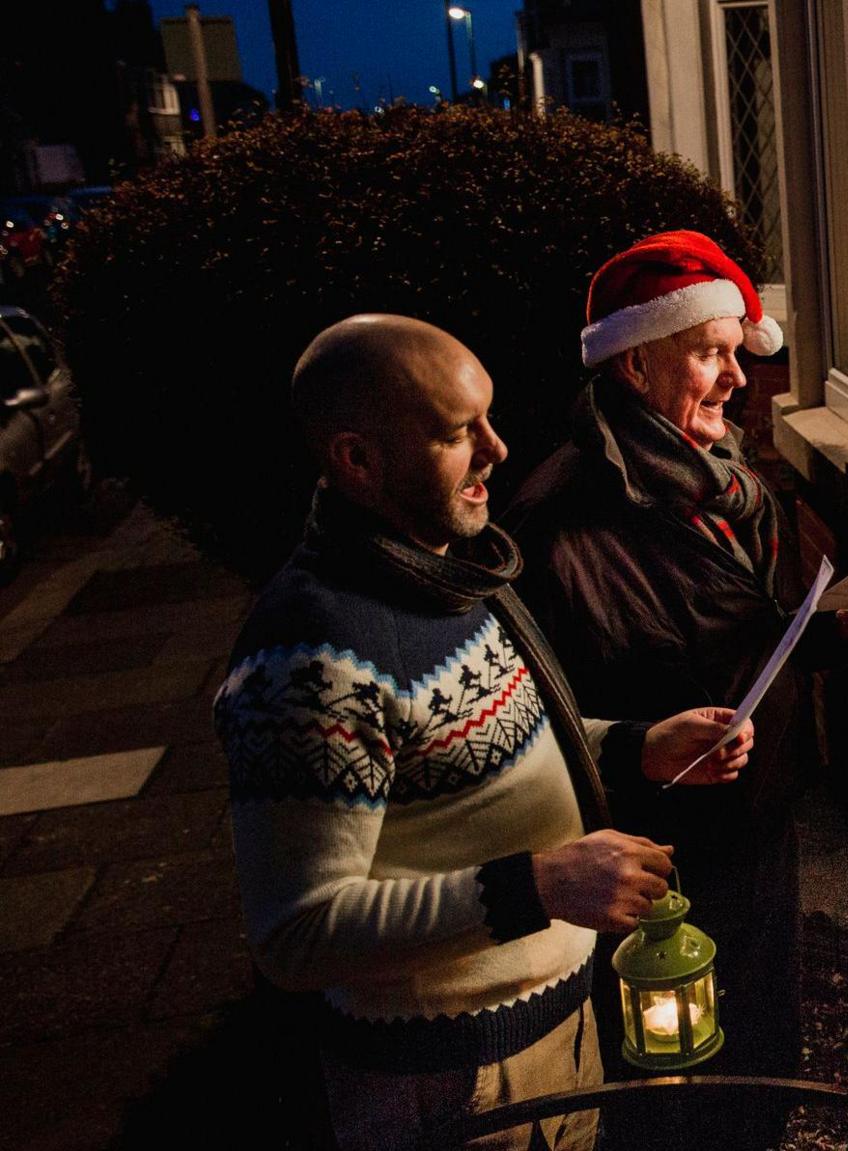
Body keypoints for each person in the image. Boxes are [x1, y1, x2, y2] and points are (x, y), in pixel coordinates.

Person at [214, 314, 753, 1151]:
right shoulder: (313, 657)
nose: (498, 449)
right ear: (357, 459)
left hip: (551, 1026)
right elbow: (297, 931)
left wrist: (637, 744)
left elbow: (475, 749)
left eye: (488, 419)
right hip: (446, 1079)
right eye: (458, 432)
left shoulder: (443, 571)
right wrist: (536, 885)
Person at [504, 231, 848, 1113]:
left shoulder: (729, 484)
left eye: (735, 354)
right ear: (638, 365)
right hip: (661, 854)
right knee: (681, 1084)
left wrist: (840, 630)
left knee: (763, 1045)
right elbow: (533, 723)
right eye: (711, 355)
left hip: (759, 811)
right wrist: (642, 746)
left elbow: (758, 630)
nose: (737, 379)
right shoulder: (558, 522)